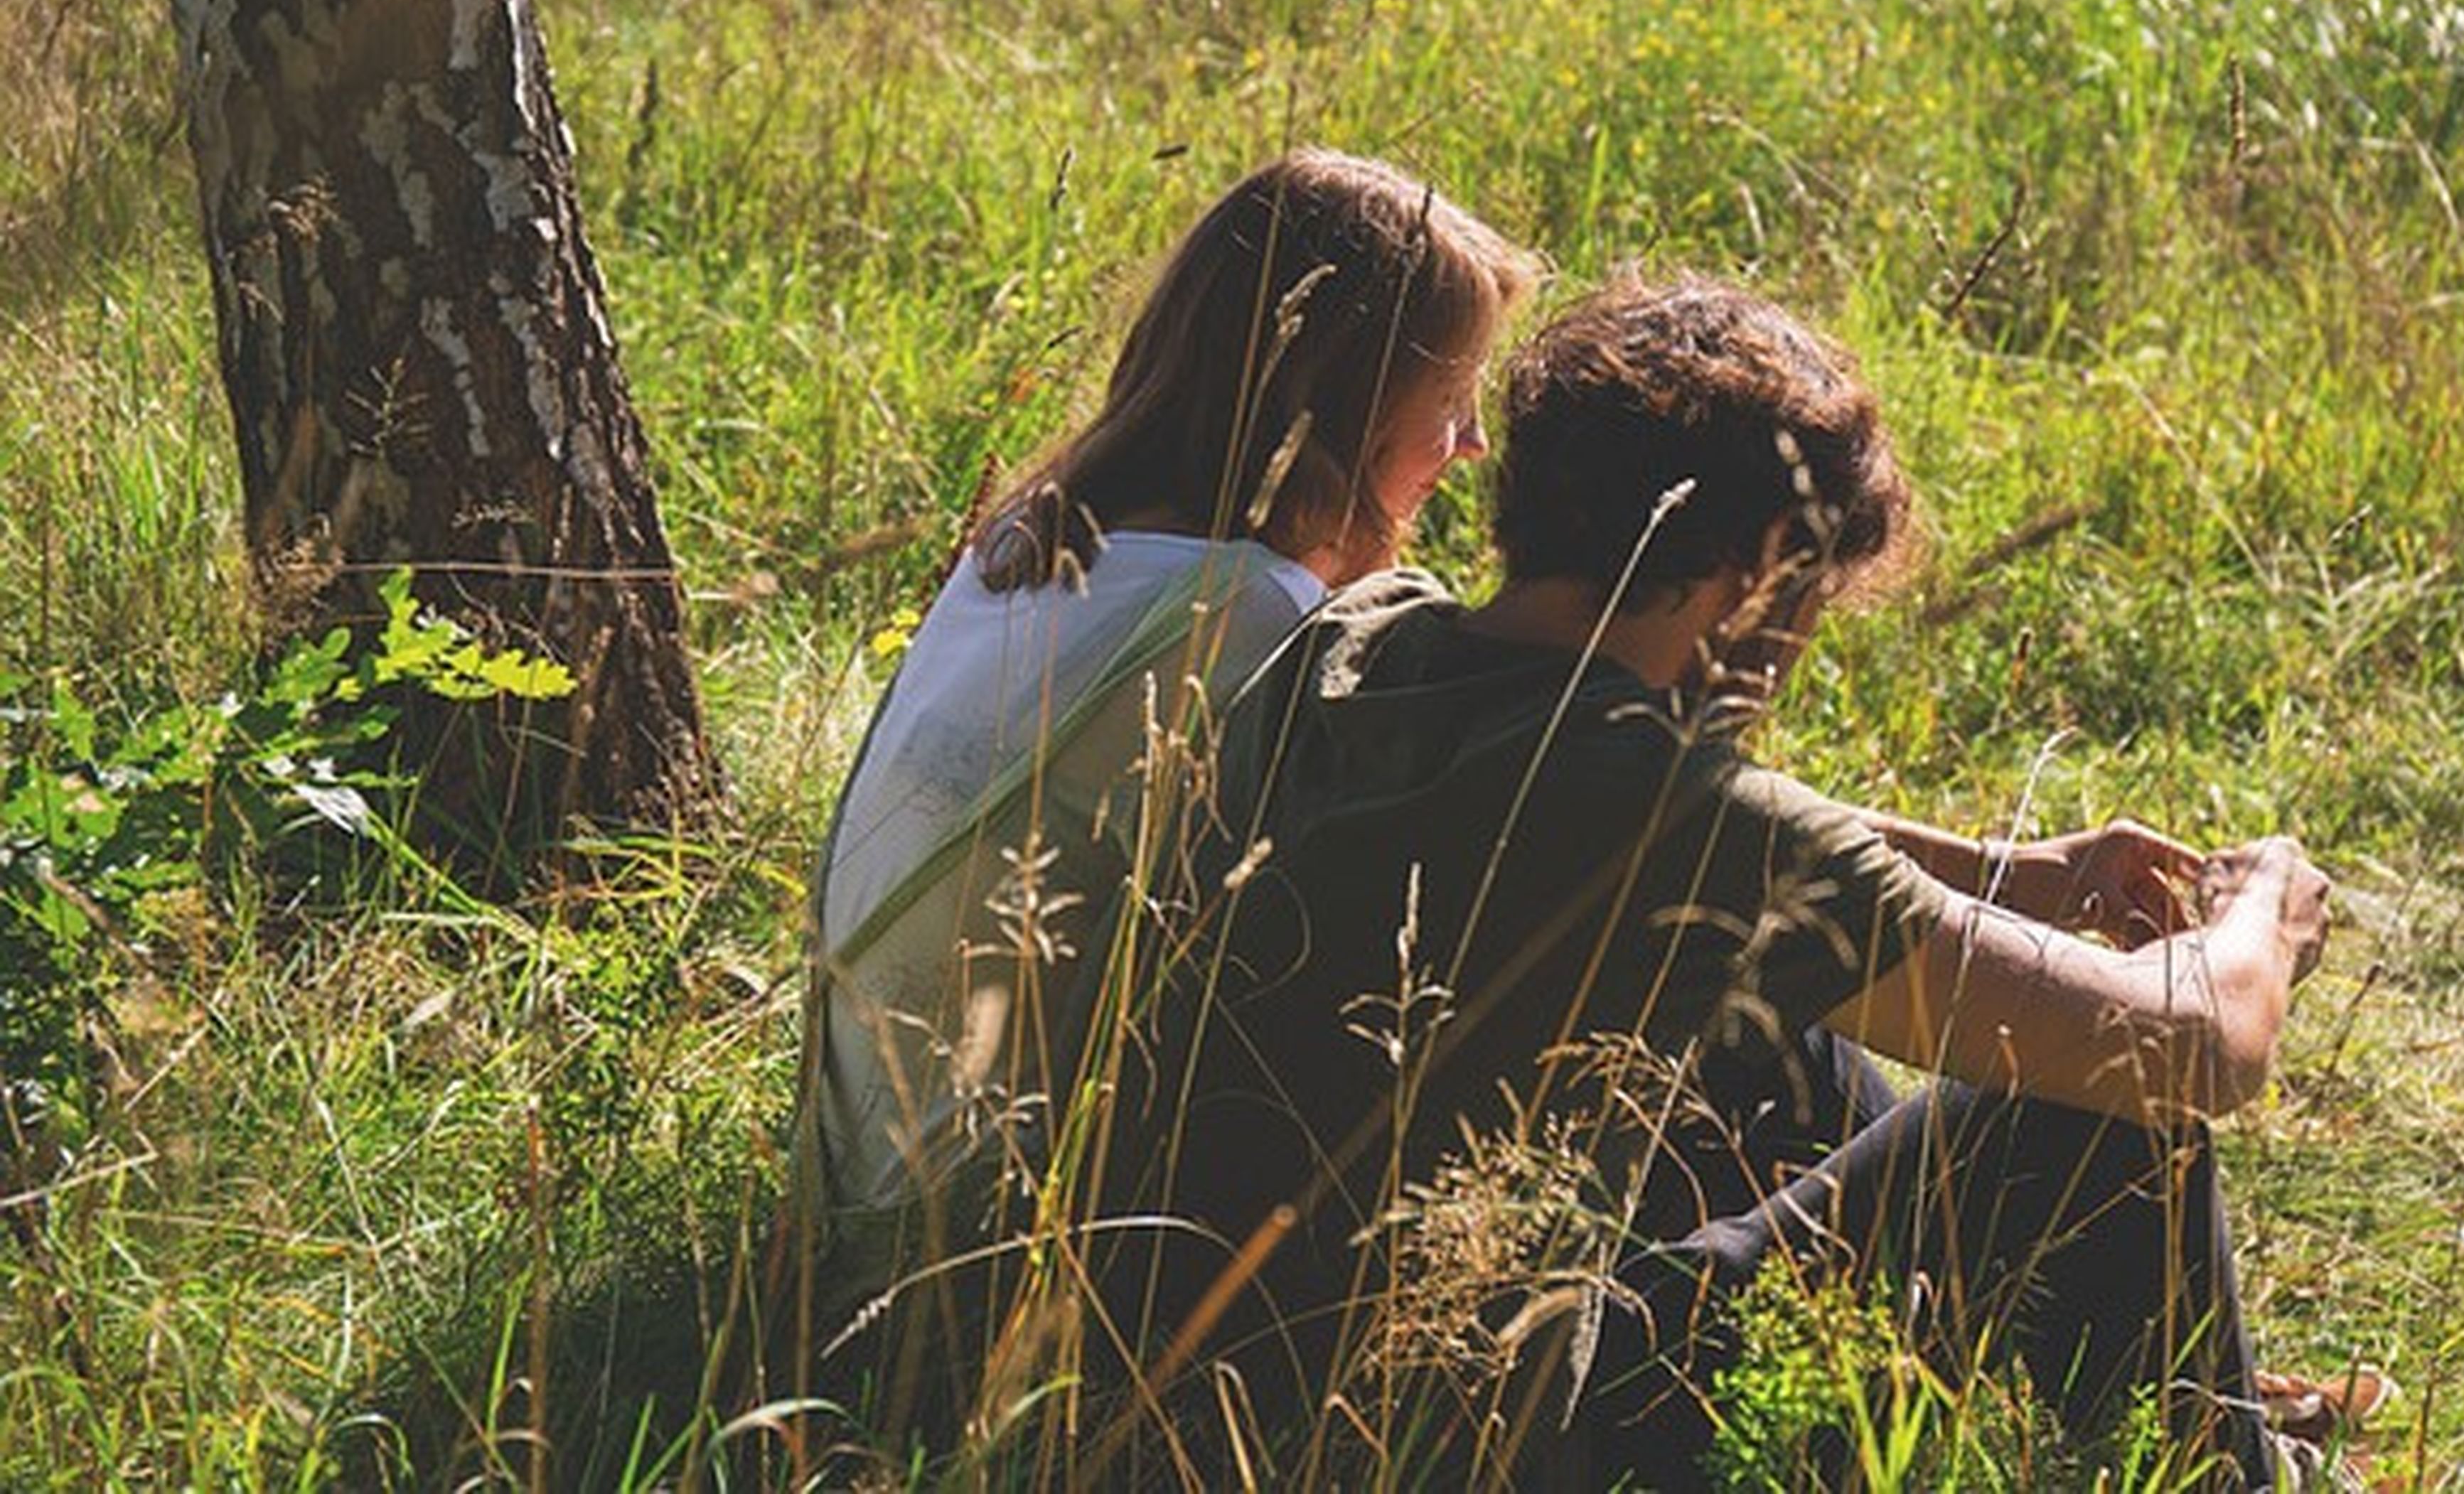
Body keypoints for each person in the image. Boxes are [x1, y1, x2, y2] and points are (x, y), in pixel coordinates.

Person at [1112, 275, 2349, 1488]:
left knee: (1781, 1044)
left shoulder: (1360, 643)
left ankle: (2005, 1390)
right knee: (2103, 1123)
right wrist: (2263, 912)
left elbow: (1685, 835)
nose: (1797, 646)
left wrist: (2005, 877)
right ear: (1744, 573)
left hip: (1179, 1395)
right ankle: (2231, 1467)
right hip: (1480, 1441)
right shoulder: (1684, 825)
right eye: (1806, 597)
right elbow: (2187, 1046)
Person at [794, 149, 1533, 1448]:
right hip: (994, 1268)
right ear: (1345, 404)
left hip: (860, 1193)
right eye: (1452, 401)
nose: (1470, 446)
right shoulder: (1241, 617)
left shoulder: (1033, 539)